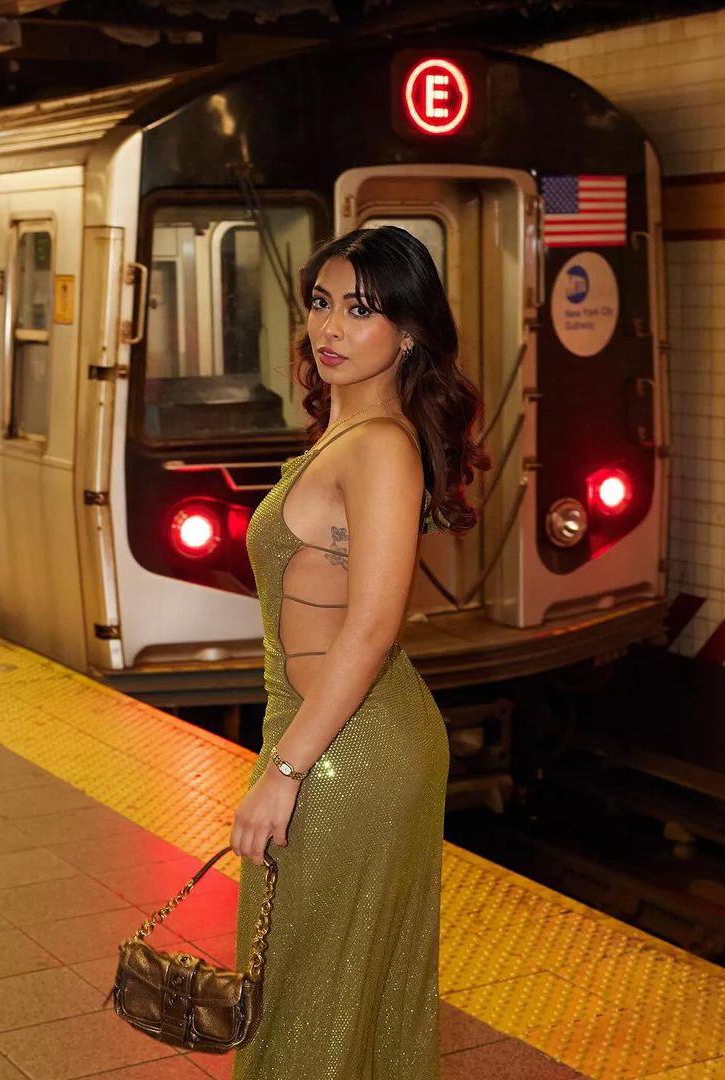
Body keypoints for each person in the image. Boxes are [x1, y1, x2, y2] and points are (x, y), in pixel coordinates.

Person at [230, 225, 489, 1079]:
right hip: (330, 735)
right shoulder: (346, 435)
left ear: (407, 333)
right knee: (322, 992)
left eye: (361, 310)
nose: (331, 327)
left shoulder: (380, 446)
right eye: (321, 302)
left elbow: (374, 627)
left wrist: (285, 771)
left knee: (307, 999)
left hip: (347, 751)